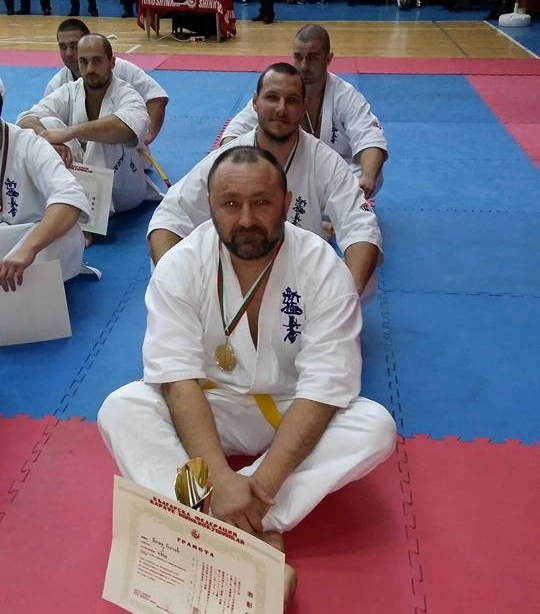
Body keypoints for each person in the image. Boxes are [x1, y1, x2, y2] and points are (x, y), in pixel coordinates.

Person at [97, 145, 397, 607]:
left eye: (261, 202)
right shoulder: (181, 265)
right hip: (210, 405)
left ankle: (222, 524)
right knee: (122, 409)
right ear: (210, 206)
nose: (246, 219)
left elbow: (323, 391)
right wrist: (219, 477)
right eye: (230, 204)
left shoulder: (322, 268)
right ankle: (246, 532)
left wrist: (263, 483)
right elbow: (176, 379)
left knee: (374, 426)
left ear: (286, 202)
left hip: (291, 408)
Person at [148, 63, 382, 300]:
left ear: (304, 106)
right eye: (272, 98)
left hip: (300, 278)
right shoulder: (229, 159)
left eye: (291, 100)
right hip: (235, 274)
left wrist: (345, 300)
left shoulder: (325, 161)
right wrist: (176, 290)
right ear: (255, 102)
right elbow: (170, 214)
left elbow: (360, 225)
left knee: (367, 273)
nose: (281, 108)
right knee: (166, 264)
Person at [221, 24, 388, 201]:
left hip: (332, 177)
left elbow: (369, 136)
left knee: (372, 171)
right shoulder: (278, 89)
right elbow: (236, 129)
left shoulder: (346, 96)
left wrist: (368, 177)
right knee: (233, 164)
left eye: (312, 58)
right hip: (288, 173)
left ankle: (330, 208)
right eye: (298, 57)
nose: (304, 65)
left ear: (328, 59)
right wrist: (231, 169)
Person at [17, 34, 161, 220]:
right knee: (47, 124)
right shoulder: (70, 90)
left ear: (112, 62)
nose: (90, 68)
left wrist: (69, 132)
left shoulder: (127, 95)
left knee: (102, 136)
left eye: (97, 61)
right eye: (84, 62)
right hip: (85, 182)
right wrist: (48, 139)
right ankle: (69, 204)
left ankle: (90, 221)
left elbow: (125, 128)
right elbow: (26, 119)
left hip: (125, 188)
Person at [0, 78, 90, 292]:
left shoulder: (30, 145)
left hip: (35, 238)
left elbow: (70, 198)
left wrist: (28, 248)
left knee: (65, 237)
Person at [45, 19, 168, 148]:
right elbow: (37, 118)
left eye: (74, 46)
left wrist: (148, 137)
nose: (69, 53)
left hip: (120, 150)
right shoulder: (57, 84)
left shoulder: (121, 69)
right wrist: (55, 144)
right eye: (63, 47)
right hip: (78, 154)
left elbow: (156, 96)